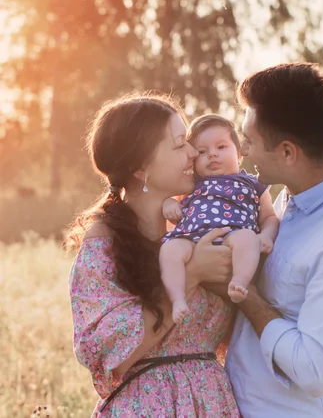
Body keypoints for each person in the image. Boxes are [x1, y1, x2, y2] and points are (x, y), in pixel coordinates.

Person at [225, 63, 323, 417]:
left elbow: (315, 371)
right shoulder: (283, 205)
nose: (243, 152)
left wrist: (244, 297)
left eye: (249, 141)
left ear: (287, 152)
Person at [67, 93, 240, 417]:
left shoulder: (197, 230)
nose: (192, 152)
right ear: (140, 169)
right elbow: (109, 352)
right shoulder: (105, 244)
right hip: (148, 406)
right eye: (178, 145)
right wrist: (190, 278)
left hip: (213, 404)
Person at [159, 114, 279, 324]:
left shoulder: (252, 184)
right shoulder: (191, 184)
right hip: (191, 240)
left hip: (231, 237)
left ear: (239, 153)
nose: (212, 155)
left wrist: (267, 236)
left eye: (221, 147)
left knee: (247, 238)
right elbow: (170, 202)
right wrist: (169, 205)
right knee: (169, 250)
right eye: (202, 152)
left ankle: (239, 282)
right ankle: (177, 297)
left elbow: (269, 217)